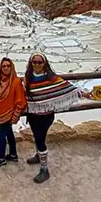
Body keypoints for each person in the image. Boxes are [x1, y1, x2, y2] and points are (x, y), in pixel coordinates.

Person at [24, 53, 89, 184]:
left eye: (39, 62)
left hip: (46, 116)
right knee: (37, 137)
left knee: (40, 139)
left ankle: (44, 169)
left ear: (44, 63)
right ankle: (38, 156)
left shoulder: (51, 77)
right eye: (34, 62)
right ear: (31, 63)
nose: (37, 64)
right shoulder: (28, 77)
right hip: (32, 114)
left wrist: (82, 93)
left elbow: (66, 87)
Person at [0, 57, 27, 171]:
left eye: (8, 66)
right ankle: (13, 154)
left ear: (12, 67)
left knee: (0, 134)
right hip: (1, 113)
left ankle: (1, 158)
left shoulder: (16, 82)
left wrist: (15, 117)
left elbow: (21, 102)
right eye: (4, 66)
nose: (6, 68)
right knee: (9, 133)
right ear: (0, 67)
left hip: (9, 114)